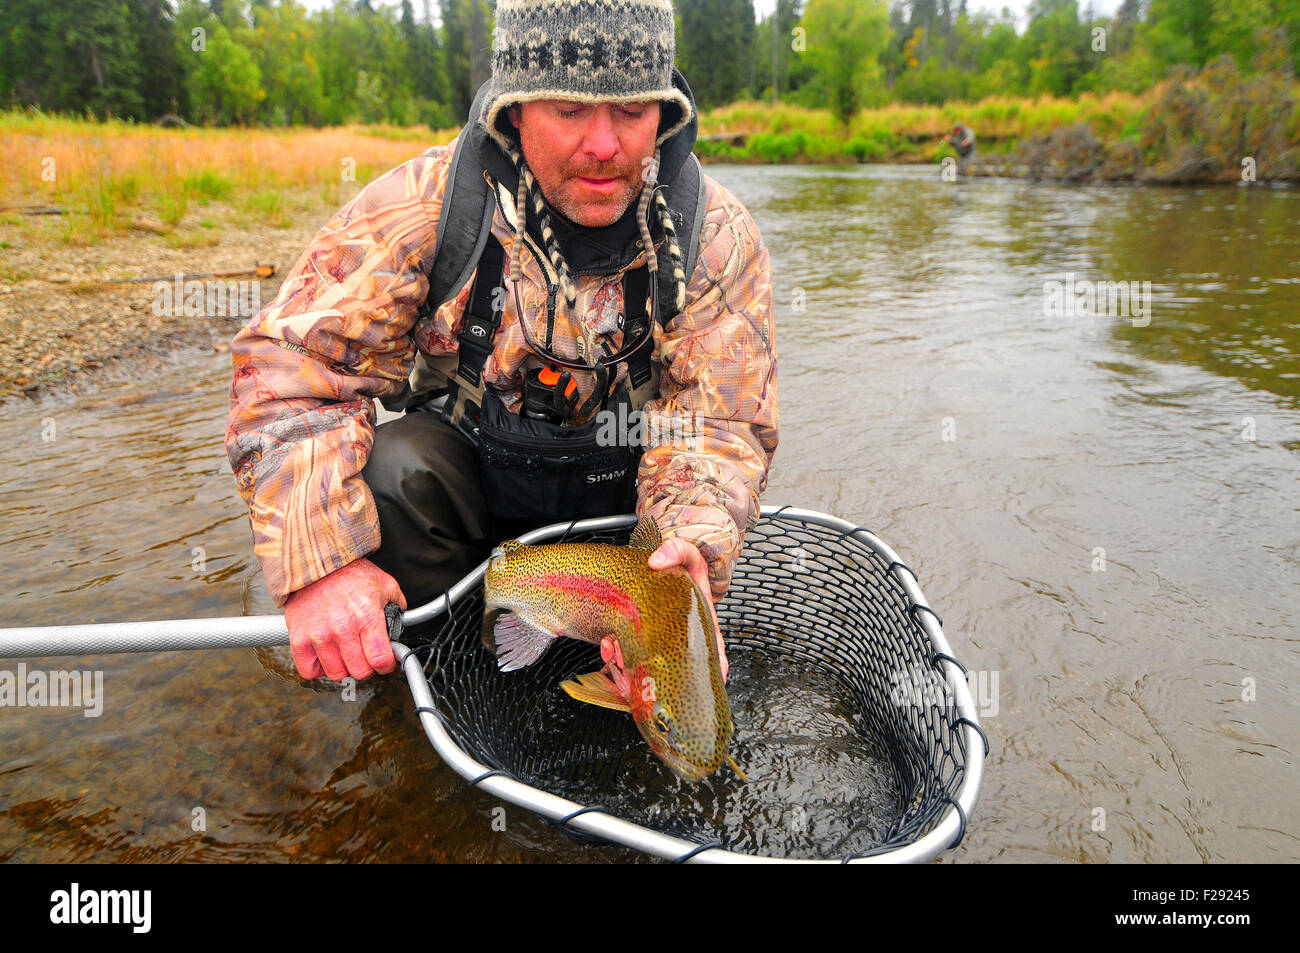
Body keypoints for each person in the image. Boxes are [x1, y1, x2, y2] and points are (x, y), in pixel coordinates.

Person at [225, 0, 779, 684]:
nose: (605, 144)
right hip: (470, 491)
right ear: (514, 109)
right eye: (570, 111)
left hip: (626, 519)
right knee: (397, 471)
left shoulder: (713, 235)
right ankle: (453, 664)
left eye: (632, 110)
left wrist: (688, 544)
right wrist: (323, 567)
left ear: (665, 114)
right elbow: (289, 369)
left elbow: (721, 425)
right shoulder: (428, 204)